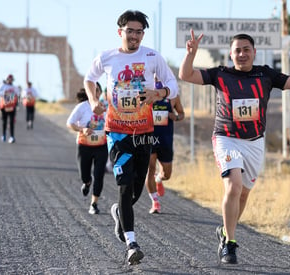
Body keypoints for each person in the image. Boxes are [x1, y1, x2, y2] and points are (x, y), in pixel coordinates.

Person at [178, 30, 290, 264]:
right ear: (231, 54)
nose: (242, 54)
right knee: (233, 186)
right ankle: (230, 244)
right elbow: (186, 75)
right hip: (226, 138)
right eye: (237, 50)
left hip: (255, 142)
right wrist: (191, 54)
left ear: (254, 52)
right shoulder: (220, 74)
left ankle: (225, 231)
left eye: (247, 50)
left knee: (244, 193)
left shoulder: (265, 75)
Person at [83, 10, 178, 265]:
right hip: (117, 132)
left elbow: (173, 83)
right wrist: (93, 101)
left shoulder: (152, 56)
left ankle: (119, 213)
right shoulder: (107, 57)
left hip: (145, 132)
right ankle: (131, 243)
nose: (134, 36)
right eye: (130, 31)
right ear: (120, 32)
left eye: (139, 32)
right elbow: (89, 79)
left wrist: (159, 94)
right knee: (124, 186)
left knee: (136, 186)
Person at [145, 75, 185, 214]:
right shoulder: (145, 94)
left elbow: (181, 114)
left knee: (167, 174)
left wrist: (174, 116)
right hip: (149, 137)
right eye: (154, 78)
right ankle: (155, 202)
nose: (156, 81)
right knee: (150, 168)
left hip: (165, 138)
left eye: (159, 78)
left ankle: (159, 179)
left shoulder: (173, 97)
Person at [66, 84, 108, 215]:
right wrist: (82, 129)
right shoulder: (82, 107)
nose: (96, 93)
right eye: (93, 91)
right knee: (84, 174)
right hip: (84, 145)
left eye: (98, 91)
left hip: (101, 146)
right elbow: (70, 123)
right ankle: (87, 182)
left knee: (99, 175)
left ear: (100, 93)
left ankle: (94, 204)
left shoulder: (106, 106)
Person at [0, 74, 19, 143]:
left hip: (12, 105)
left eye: (11, 79)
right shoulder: (3, 86)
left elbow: (18, 94)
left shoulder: (15, 87)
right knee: (4, 121)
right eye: (9, 79)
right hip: (4, 105)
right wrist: (4, 93)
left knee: (11, 122)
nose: (10, 80)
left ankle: (12, 136)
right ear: (6, 79)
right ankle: (3, 135)